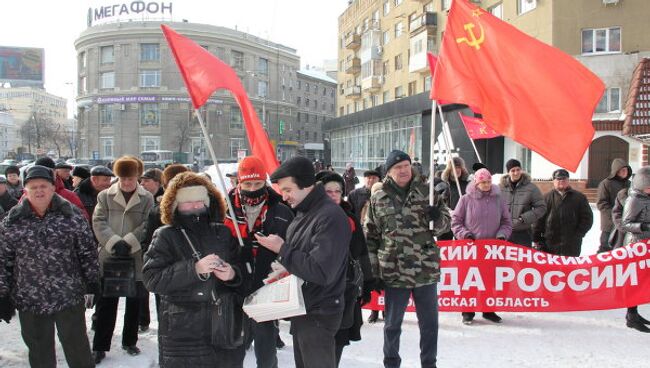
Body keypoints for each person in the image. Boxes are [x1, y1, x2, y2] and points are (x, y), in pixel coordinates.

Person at [143, 172, 247, 367]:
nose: (195, 206)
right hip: (183, 331)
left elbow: (242, 273)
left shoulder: (222, 232)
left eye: (200, 200)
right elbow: (152, 278)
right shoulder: (165, 236)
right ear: (174, 205)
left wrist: (232, 274)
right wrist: (194, 269)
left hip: (223, 325)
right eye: (187, 202)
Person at [255, 156, 351, 368]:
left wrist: (282, 248)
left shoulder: (330, 216)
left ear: (306, 185)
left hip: (319, 311)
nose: (285, 196)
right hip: (304, 308)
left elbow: (321, 271)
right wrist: (281, 270)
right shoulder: (304, 212)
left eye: (288, 190)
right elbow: (302, 260)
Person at [0, 165, 99, 367]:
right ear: (24, 190)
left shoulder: (71, 217)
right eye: (33, 186)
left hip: (68, 296)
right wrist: (2, 294)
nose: (39, 191)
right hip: (30, 299)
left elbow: (87, 252)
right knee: (39, 354)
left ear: (53, 188)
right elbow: (3, 260)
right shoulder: (12, 222)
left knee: (78, 351)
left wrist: (93, 283)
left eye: (43, 186)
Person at [365, 150, 451, 368]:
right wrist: (373, 272)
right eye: (397, 167)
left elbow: (446, 225)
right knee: (392, 325)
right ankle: (391, 363)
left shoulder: (428, 191)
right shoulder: (378, 197)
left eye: (406, 165)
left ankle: (429, 363)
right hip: (393, 272)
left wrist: (437, 217)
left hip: (425, 270)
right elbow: (371, 237)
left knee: (429, 325)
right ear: (389, 171)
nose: (403, 170)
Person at [223, 156, 294, 368]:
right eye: (247, 184)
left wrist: (280, 253)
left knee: (266, 348)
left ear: (265, 182)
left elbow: (293, 249)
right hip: (233, 286)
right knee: (233, 345)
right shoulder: (225, 210)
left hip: (266, 287)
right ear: (238, 182)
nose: (252, 189)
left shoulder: (281, 211)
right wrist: (236, 252)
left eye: (257, 184)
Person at [91, 156, 154, 364]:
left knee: (134, 302)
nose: (126, 183)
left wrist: (129, 242)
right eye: (123, 178)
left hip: (135, 256)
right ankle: (100, 346)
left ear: (137, 177)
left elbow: (148, 223)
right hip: (110, 256)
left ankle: (130, 341)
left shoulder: (147, 198)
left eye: (131, 178)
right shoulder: (105, 196)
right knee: (106, 303)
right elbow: (98, 221)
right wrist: (113, 242)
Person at [315, 171, 373, 366]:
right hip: (315, 290)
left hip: (344, 289)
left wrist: (367, 282)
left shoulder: (350, 218)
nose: (333, 195)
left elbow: (362, 253)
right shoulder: (307, 215)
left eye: (337, 191)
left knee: (338, 339)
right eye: (328, 191)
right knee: (314, 343)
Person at [452, 168, 512, 325]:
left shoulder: (499, 199)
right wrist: (465, 235)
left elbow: (506, 222)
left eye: (489, 182)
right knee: (470, 281)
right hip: (471, 249)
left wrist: (501, 235)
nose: (486, 185)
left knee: (489, 281)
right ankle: (467, 311)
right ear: (476, 183)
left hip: (492, 250)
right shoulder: (465, 199)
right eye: (483, 182)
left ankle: (488, 310)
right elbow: (456, 221)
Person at [533, 169, 593, 256]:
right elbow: (538, 220)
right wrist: (537, 239)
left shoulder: (579, 198)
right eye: (558, 179)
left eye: (564, 179)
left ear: (568, 180)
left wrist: (578, 234)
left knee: (570, 268)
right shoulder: (546, 198)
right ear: (553, 181)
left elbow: (587, 218)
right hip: (550, 244)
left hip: (572, 244)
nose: (561, 181)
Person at [499, 159, 546, 247]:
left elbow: (541, 208)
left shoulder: (531, 188)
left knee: (521, 260)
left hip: (523, 233)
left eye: (518, 169)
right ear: (508, 172)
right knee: (505, 260)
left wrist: (524, 218)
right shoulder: (500, 188)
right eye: (513, 170)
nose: (516, 173)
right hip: (504, 233)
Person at [596, 158, 632, 253]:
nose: (625, 172)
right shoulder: (605, 184)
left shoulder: (630, 184)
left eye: (626, 169)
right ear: (616, 170)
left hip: (625, 223)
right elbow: (602, 203)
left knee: (622, 250)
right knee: (605, 248)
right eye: (622, 170)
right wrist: (615, 215)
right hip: (609, 224)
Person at [439, 157, 471, 240]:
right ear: (449, 170)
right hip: (446, 222)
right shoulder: (444, 184)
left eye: (459, 167)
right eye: (454, 168)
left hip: (462, 222)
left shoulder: (467, 184)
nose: (457, 170)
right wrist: (448, 211)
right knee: (444, 247)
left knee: (462, 247)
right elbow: (438, 202)